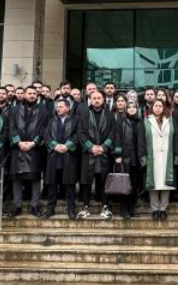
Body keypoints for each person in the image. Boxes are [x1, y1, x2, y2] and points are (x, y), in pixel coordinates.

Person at [8, 85, 49, 218]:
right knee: (17, 179)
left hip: (35, 149)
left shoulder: (43, 109)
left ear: (37, 96)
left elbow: (44, 128)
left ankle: (34, 206)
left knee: (35, 178)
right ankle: (17, 206)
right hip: (18, 148)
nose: (32, 96)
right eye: (29, 93)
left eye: (34, 94)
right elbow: (11, 127)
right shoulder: (14, 109)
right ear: (24, 95)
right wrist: (19, 142)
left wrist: (33, 143)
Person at [77, 90, 115, 219]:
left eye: (99, 98)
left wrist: (103, 147)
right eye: (94, 98)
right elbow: (80, 132)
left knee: (104, 181)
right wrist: (91, 147)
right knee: (86, 181)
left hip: (104, 154)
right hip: (89, 153)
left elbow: (112, 133)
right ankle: (85, 207)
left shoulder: (110, 115)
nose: (97, 100)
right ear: (90, 100)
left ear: (103, 100)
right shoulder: (83, 114)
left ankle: (105, 207)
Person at [42, 98, 80, 219]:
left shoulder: (75, 120)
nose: (58, 109)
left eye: (61, 107)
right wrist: (55, 146)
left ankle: (71, 209)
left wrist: (67, 146)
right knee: (52, 185)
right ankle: (50, 209)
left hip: (69, 156)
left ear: (68, 108)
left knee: (70, 185)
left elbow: (78, 135)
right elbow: (46, 136)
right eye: (57, 107)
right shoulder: (51, 120)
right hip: (54, 156)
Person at [141, 99, 178, 220]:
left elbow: (176, 137)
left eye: (160, 106)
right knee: (154, 183)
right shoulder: (146, 121)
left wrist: (177, 155)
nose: (158, 108)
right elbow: (141, 140)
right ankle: (154, 208)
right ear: (152, 107)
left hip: (167, 156)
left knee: (166, 183)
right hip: (152, 156)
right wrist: (143, 157)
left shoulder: (170, 120)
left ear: (164, 108)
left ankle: (163, 208)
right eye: (156, 106)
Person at [113, 99, 144, 219]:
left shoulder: (140, 121)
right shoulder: (121, 121)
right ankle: (124, 209)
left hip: (136, 158)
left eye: (134, 107)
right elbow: (117, 138)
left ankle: (132, 208)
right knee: (125, 184)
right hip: (125, 157)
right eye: (129, 107)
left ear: (137, 109)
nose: (131, 109)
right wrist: (118, 155)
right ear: (126, 109)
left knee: (134, 185)